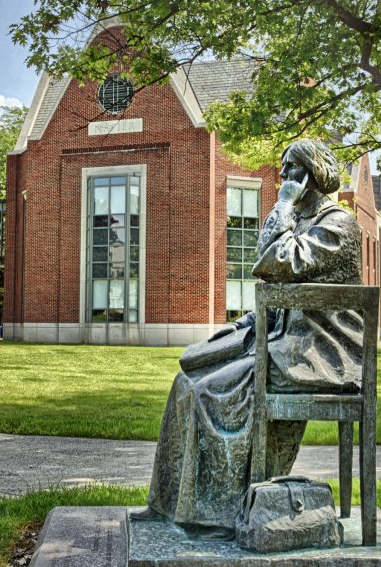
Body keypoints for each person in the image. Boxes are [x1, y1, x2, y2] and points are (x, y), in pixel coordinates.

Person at [138, 139, 364, 534]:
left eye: (293, 169)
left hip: (316, 353)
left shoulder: (337, 223)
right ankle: (168, 505)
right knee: (185, 381)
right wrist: (241, 325)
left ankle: (219, 512)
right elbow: (280, 290)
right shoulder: (304, 220)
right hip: (281, 341)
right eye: (282, 171)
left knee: (212, 393)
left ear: (314, 172)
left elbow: (271, 264)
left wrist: (282, 207)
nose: (284, 178)